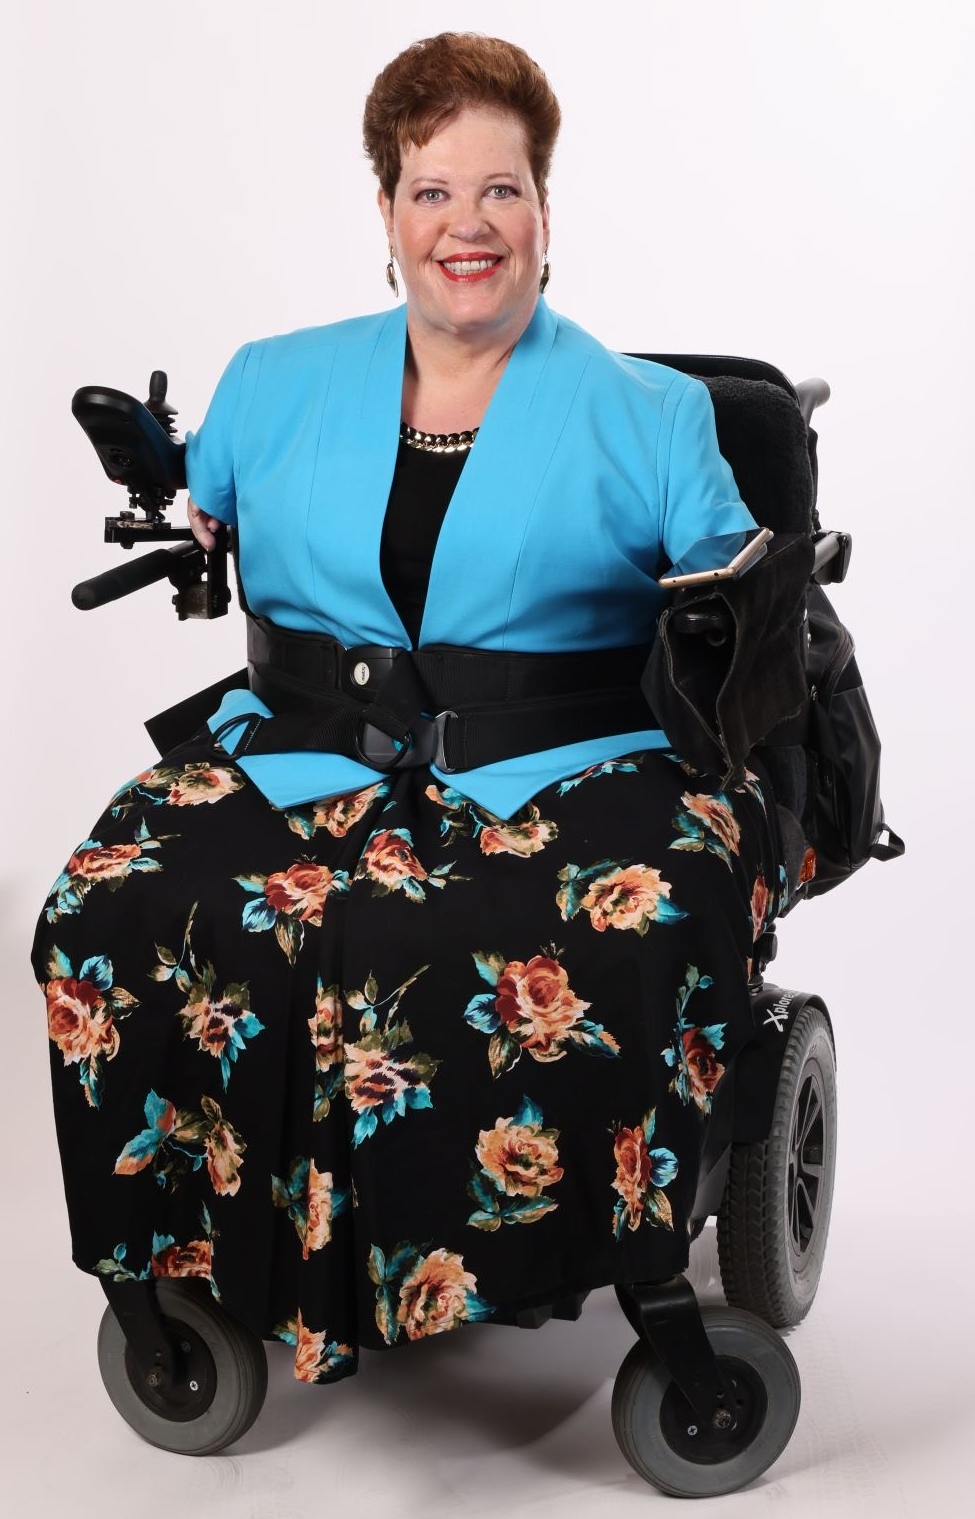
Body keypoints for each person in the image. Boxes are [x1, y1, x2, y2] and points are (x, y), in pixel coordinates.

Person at [33, 33, 787, 1387]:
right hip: (308, 748)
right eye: (433, 191)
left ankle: (566, 1264)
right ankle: (198, 1253)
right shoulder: (276, 378)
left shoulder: (653, 415)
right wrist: (168, 483)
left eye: (499, 191)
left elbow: (737, 580)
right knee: (109, 899)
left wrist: (719, 601)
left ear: (545, 212)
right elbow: (205, 492)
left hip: (567, 759)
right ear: (385, 211)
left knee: (584, 927)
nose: (467, 225)